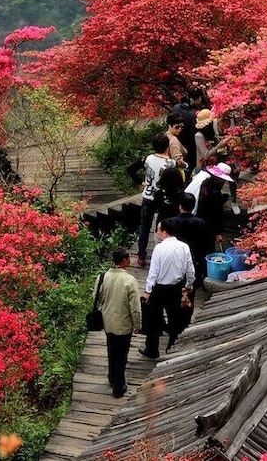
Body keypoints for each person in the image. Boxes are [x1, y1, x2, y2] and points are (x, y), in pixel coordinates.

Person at [139, 220, 195, 359]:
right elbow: (190, 270)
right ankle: (172, 347)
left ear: (164, 232)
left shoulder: (159, 248)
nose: (157, 233)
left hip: (159, 288)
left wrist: (147, 291)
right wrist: (188, 286)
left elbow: (153, 273)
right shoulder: (184, 247)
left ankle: (152, 349)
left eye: (158, 230)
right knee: (175, 318)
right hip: (176, 288)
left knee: (153, 319)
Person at [92, 248, 142, 398]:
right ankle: (118, 386)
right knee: (122, 354)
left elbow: (96, 297)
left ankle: (111, 377)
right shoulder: (129, 281)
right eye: (129, 258)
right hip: (123, 324)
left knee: (111, 350)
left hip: (108, 322)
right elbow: (135, 308)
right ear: (124, 260)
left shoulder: (102, 277)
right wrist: (137, 325)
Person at [138, 134, 175, 267]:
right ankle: (160, 254)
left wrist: (141, 182)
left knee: (144, 226)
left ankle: (141, 255)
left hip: (148, 195)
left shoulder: (149, 158)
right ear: (167, 147)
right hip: (163, 198)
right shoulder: (171, 163)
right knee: (161, 226)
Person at [195, 164, 232, 257]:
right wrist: (218, 233)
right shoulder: (215, 193)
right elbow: (217, 214)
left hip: (200, 220)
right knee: (207, 250)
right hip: (209, 225)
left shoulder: (206, 183)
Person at [171, 87, 207, 170]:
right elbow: (194, 136)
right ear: (199, 98)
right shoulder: (194, 115)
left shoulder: (176, 107)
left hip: (174, 145)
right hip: (190, 150)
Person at [194, 109, 234, 175]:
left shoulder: (211, 130)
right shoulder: (199, 136)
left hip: (215, 162)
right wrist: (220, 144)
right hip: (204, 166)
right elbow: (206, 155)